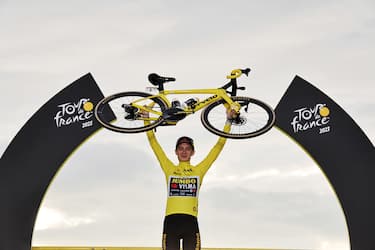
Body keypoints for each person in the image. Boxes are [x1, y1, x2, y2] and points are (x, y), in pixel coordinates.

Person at [144, 109, 234, 250]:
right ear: (176, 152)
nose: (184, 151)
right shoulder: (169, 168)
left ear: (193, 152)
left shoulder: (198, 170)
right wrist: (146, 121)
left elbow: (218, 147)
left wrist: (228, 121)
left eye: (187, 148)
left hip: (190, 222)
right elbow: (154, 145)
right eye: (181, 148)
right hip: (171, 221)